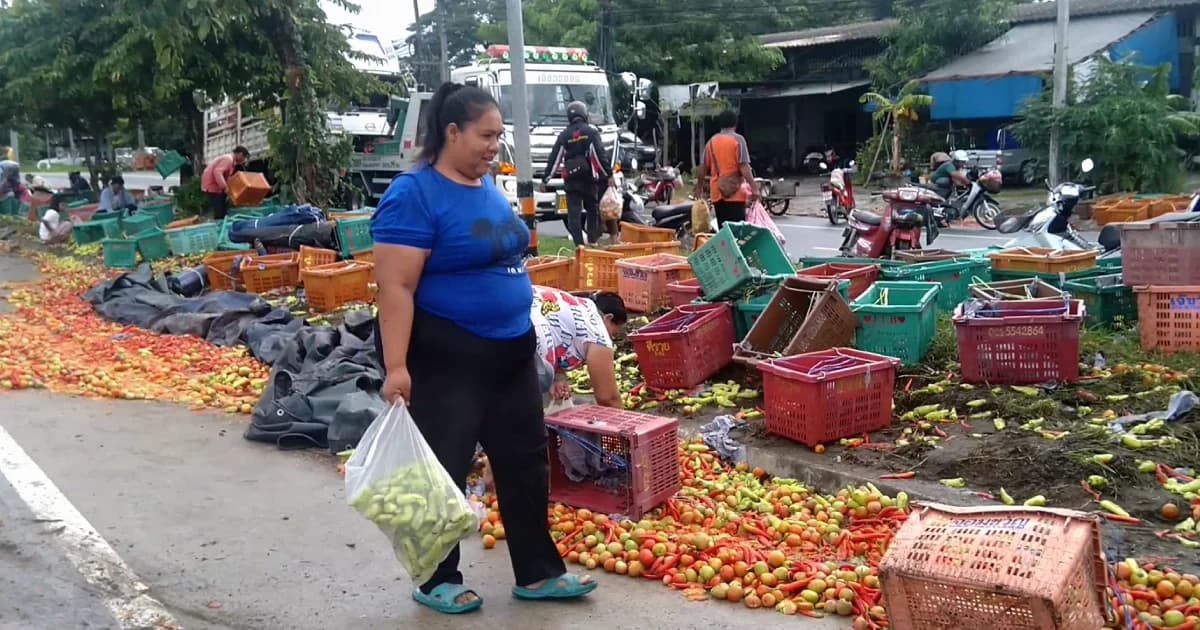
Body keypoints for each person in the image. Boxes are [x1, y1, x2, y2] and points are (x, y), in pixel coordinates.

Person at [371, 82, 596, 615]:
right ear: (452, 133)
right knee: (444, 467)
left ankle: (538, 573)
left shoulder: (488, 186)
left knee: (524, 463)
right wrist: (397, 366)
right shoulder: (415, 193)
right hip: (448, 354)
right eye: (486, 135)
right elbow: (395, 288)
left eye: (499, 136)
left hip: (511, 351)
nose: (495, 145)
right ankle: (436, 577)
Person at [532, 287, 628, 409]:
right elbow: (608, 398)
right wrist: (625, 425)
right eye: (614, 333)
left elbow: (555, 330)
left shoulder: (577, 304)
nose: (611, 338)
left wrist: (556, 377)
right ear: (608, 318)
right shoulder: (598, 333)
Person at [543, 101, 613, 247]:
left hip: (571, 180)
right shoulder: (591, 132)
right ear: (584, 114)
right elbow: (599, 155)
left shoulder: (564, 135)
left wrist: (545, 180)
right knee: (592, 209)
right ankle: (592, 241)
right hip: (589, 179)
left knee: (573, 214)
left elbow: (555, 159)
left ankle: (579, 245)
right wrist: (608, 174)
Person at [694, 109, 758, 227]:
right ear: (735, 123)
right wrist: (754, 188)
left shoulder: (711, 142)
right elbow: (744, 166)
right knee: (736, 232)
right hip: (735, 193)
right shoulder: (738, 140)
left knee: (724, 230)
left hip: (717, 193)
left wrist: (699, 187)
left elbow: (703, 167)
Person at [201, 146, 249, 220]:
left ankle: (222, 221)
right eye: (244, 157)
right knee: (219, 209)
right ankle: (219, 225)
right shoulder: (228, 159)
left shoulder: (231, 162)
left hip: (215, 185)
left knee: (223, 206)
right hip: (212, 185)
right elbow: (218, 172)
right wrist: (225, 187)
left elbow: (226, 176)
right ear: (240, 154)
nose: (243, 160)